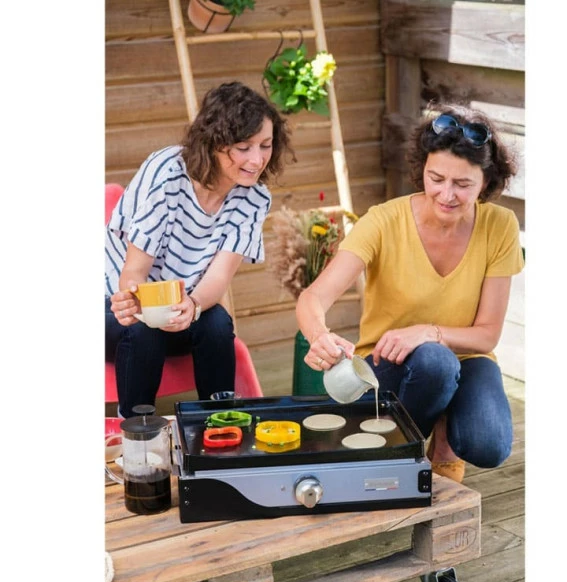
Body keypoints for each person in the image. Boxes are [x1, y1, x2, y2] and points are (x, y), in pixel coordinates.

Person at [296, 103, 524, 483]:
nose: (446, 194)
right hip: (390, 365)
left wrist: (428, 332)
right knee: (435, 363)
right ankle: (406, 456)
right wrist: (319, 335)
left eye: (463, 184)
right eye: (436, 178)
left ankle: (443, 438)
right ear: (422, 169)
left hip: (467, 358)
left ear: (485, 182)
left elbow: (487, 335)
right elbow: (313, 298)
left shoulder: (500, 226)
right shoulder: (384, 220)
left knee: (489, 444)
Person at [106, 82, 293, 418]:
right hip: (116, 306)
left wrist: (191, 306)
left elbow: (218, 278)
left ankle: (217, 423)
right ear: (215, 142)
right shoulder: (167, 172)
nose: (257, 159)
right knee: (143, 329)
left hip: (181, 308)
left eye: (265, 145)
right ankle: (136, 429)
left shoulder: (254, 198)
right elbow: (133, 272)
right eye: (244, 147)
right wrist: (138, 305)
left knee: (217, 322)